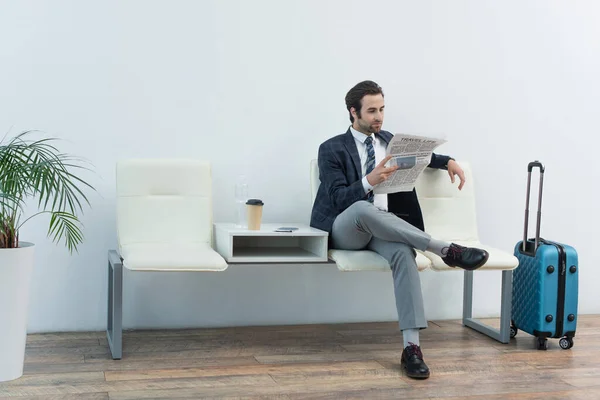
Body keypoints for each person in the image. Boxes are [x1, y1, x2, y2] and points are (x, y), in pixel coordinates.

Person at [310, 80, 489, 379]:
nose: (378, 116)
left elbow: (424, 157)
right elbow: (337, 198)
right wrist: (371, 180)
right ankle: (445, 249)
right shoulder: (331, 149)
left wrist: (450, 162)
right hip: (347, 228)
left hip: (383, 229)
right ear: (353, 112)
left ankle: (412, 349)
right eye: (371, 111)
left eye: (381, 109)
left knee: (403, 254)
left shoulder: (391, 142)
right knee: (362, 208)